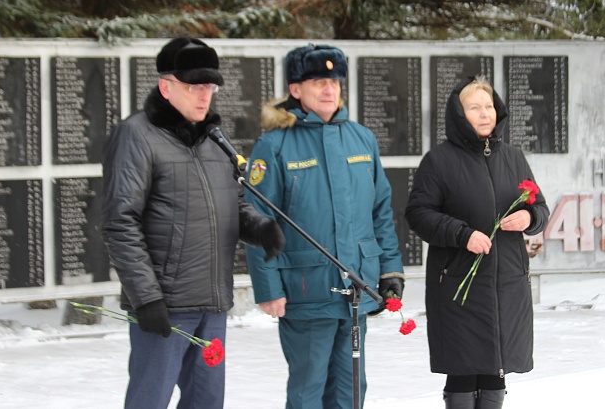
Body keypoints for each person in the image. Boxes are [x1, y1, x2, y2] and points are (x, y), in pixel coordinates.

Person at [102, 37, 285, 409]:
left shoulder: (214, 139)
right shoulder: (137, 135)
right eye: (194, 86)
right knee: (149, 400)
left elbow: (233, 205)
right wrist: (147, 296)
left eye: (210, 87)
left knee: (206, 402)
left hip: (212, 303)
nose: (204, 96)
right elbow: (120, 221)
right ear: (166, 86)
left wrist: (259, 228)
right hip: (164, 305)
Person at [244, 44, 405, 409]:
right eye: (318, 81)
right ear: (296, 89)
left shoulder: (362, 138)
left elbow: (380, 211)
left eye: (334, 80)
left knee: (350, 391)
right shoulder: (274, 145)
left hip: (356, 290)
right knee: (308, 392)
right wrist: (268, 288)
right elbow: (256, 221)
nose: (329, 89)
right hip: (306, 291)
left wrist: (390, 270)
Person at [405, 75, 550, 409]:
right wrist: (462, 234)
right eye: (474, 108)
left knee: (495, 364)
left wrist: (529, 219)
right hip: (459, 285)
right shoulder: (439, 160)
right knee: (463, 366)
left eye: (488, 106)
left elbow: (539, 206)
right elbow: (418, 213)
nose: (485, 114)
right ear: (459, 114)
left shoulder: (513, 157)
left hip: (506, 282)